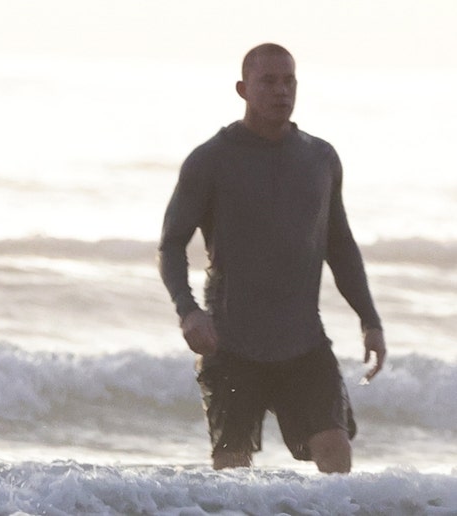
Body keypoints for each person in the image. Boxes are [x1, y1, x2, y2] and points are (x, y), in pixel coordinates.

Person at [158, 43, 386, 473]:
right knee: (233, 470)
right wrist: (188, 311)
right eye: (268, 81)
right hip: (231, 343)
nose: (281, 91)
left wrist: (369, 320)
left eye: (289, 81)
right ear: (243, 89)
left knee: (336, 454)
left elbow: (339, 245)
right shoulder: (210, 160)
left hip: (303, 341)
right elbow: (171, 244)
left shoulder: (320, 158)